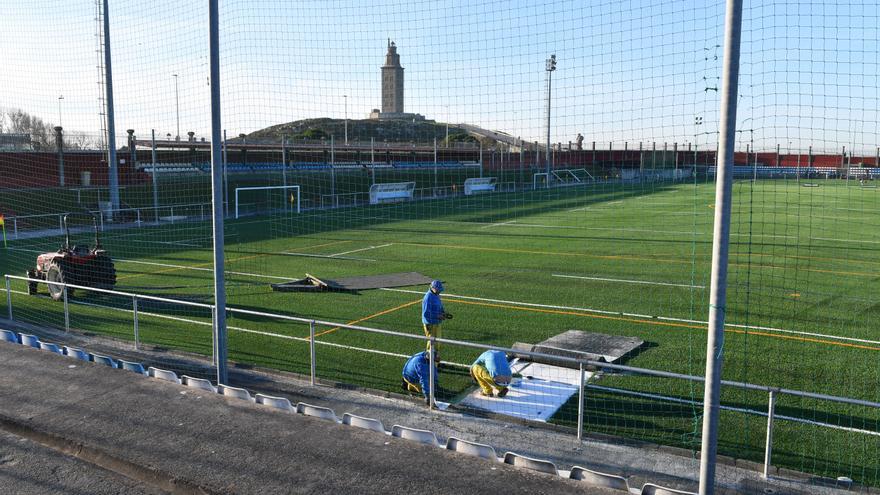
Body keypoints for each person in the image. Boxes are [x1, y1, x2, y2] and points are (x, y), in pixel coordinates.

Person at [421, 280, 451, 361]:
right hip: (430, 324)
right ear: (433, 288)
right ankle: (428, 360)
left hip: (437, 323)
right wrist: (438, 316)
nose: (439, 291)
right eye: (438, 290)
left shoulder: (436, 295)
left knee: (438, 342)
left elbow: (439, 305)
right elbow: (426, 314)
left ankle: (434, 359)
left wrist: (443, 312)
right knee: (431, 343)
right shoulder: (428, 298)